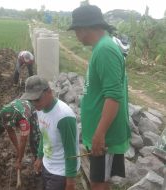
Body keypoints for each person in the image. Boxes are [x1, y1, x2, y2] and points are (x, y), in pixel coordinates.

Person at [68, 5, 131, 190]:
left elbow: (113, 96)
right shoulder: (101, 47)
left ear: (84, 28)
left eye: (76, 30)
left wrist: (100, 134)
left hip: (106, 136)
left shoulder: (105, 50)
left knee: (99, 183)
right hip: (100, 133)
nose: (76, 35)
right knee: (99, 180)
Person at [21, 75, 80, 190]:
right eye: (31, 100)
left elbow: (71, 151)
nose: (34, 103)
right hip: (47, 165)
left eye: (37, 99)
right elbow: (45, 134)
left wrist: (70, 182)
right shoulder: (40, 109)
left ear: (49, 92)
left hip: (61, 172)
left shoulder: (64, 116)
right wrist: (39, 157)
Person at [0, 99, 40, 170]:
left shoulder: (24, 120)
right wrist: (18, 149)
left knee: (34, 138)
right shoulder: (2, 114)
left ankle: (38, 161)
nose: (8, 126)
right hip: (13, 110)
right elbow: (10, 132)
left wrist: (19, 160)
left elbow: (23, 140)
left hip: (29, 110)